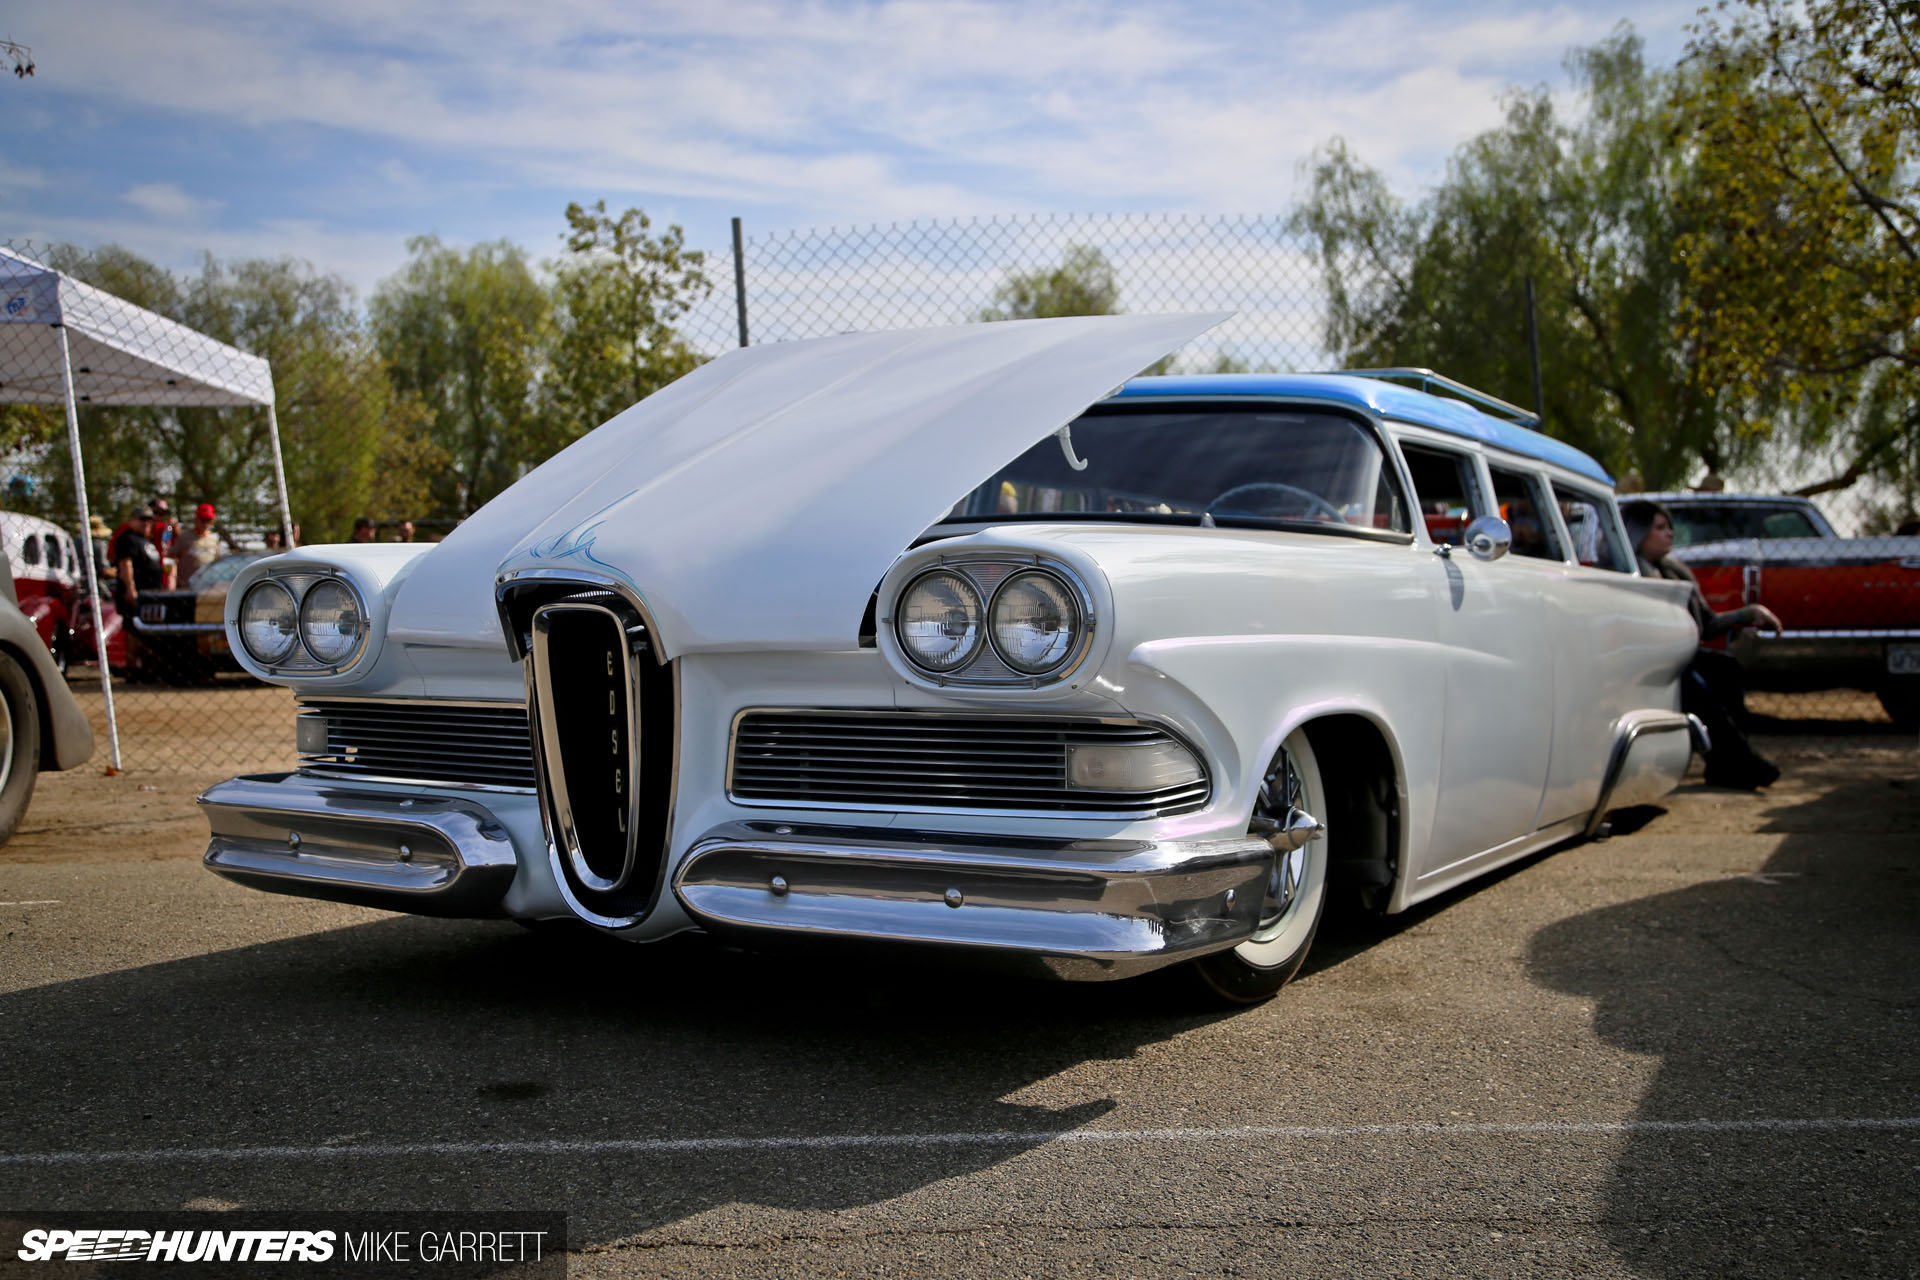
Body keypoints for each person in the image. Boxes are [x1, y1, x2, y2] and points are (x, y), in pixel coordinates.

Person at [1622, 499, 1784, 790]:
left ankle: (1723, 762)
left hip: (1684, 653)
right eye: (1659, 527)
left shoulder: (1676, 572)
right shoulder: (1624, 574)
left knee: (1727, 668)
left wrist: (1750, 613)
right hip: (1647, 661)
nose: (1669, 533)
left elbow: (1707, 623)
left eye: (1670, 527)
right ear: (1638, 532)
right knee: (1692, 681)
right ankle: (1738, 758)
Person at [111, 506, 164, 611]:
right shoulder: (127, 538)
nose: (146, 523)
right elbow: (125, 565)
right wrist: (131, 590)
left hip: (151, 594)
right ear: (132, 520)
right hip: (137, 594)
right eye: (142, 519)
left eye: (149, 520)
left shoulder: (145, 539)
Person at [175, 503, 224, 586]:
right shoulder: (184, 537)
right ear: (196, 519)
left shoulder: (214, 539)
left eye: (208, 520)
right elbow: (172, 555)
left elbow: (219, 561)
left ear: (212, 521)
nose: (205, 523)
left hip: (207, 584)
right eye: (202, 519)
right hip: (186, 584)